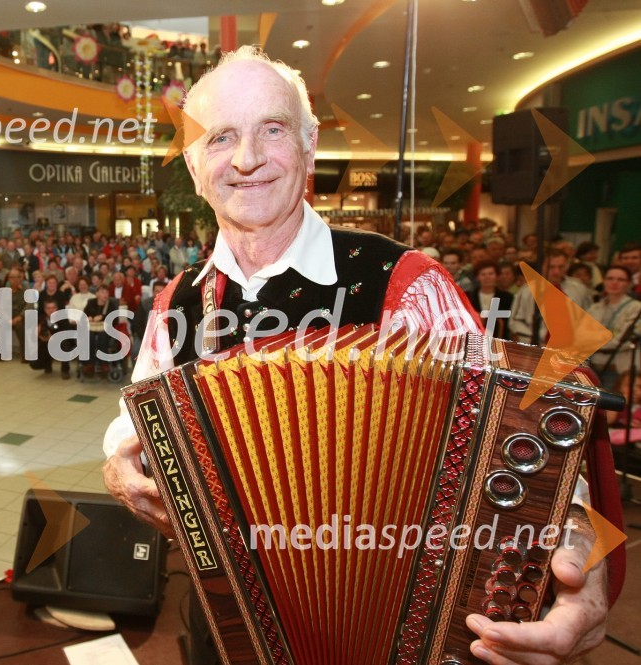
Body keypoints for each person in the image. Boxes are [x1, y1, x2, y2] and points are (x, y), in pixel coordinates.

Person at [102, 46, 611, 665]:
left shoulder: (407, 282)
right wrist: (117, 470)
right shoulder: (174, 305)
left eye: (272, 129)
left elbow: (534, 448)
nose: (247, 159)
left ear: (310, 143)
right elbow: (128, 433)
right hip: (230, 622)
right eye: (219, 138)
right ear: (191, 164)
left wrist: (582, 565)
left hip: (400, 632)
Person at [509, 249, 592, 345]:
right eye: (551, 267)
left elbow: (589, 316)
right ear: (542, 267)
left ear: (567, 266)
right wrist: (532, 338)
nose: (556, 271)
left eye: (561, 267)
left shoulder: (579, 289)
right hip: (538, 345)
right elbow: (515, 321)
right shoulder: (527, 291)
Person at [587, 266, 641, 389]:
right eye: (610, 278)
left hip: (618, 368)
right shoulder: (595, 307)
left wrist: (593, 342)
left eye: (620, 280)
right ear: (604, 281)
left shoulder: (636, 308)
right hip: (593, 366)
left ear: (629, 284)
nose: (614, 283)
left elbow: (624, 341)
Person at [468, 260, 513, 339]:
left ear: (497, 276)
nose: (487, 277)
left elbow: (509, 321)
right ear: (477, 277)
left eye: (490, 274)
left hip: (499, 340)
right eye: (483, 274)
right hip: (474, 339)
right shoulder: (469, 296)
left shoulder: (507, 297)